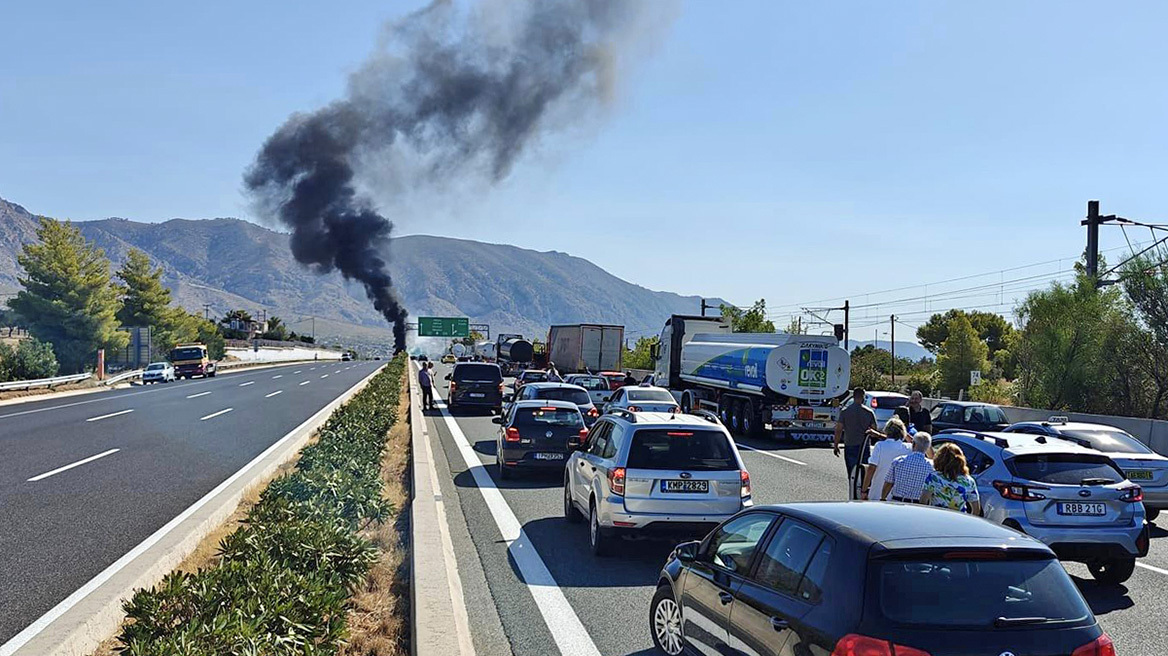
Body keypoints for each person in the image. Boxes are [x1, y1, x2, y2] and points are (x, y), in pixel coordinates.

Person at [833, 388, 877, 496]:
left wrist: (836, 445)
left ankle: (853, 494)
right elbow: (875, 429)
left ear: (853, 397)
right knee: (865, 472)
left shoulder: (845, 412)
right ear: (863, 397)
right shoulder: (869, 412)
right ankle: (864, 493)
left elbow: (839, 429)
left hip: (850, 445)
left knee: (852, 473)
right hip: (864, 446)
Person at [920, 443, 982, 515]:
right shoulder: (969, 481)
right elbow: (976, 509)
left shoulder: (934, 477)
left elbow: (923, 501)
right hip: (959, 521)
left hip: (936, 518)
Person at [861, 417, 912, 500]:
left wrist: (864, 490)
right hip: (899, 496)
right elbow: (917, 442)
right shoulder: (908, 448)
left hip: (878, 492)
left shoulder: (880, 446)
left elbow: (871, 469)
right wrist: (906, 436)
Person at [882, 431, 934, 503]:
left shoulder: (898, 461)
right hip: (919, 506)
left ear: (913, 444)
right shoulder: (932, 467)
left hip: (897, 502)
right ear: (928, 447)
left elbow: (888, 483)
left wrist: (883, 498)